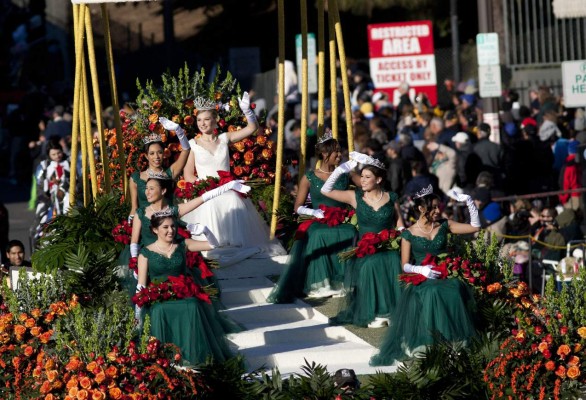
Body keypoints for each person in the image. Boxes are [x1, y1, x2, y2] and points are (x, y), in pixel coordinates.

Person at [370, 186, 480, 365]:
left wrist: (469, 202)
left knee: (454, 287)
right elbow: (405, 265)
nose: (438, 211)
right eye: (433, 207)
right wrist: (421, 270)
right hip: (421, 276)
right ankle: (431, 341)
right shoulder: (409, 233)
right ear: (422, 209)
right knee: (432, 292)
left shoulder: (445, 225)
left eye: (438, 207)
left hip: (443, 273)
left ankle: (454, 339)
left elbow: (475, 227)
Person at [181, 92, 286, 261]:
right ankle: (215, 246)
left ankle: (235, 244)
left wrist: (247, 111)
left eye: (207, 119)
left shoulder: (224, 138)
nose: (203, 123)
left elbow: (252, 129)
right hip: (205, 191)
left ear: (215, 120)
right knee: (212, 203)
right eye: (200, 120)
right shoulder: (192, 145)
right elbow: (188, 175)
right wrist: (206, 186)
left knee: (233, 200)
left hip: (227, 188)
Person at [267, 134, 359, 302]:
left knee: (351, 231)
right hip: (319, 220)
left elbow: (366, 183)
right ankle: (321, 284)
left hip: (342, 220)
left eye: (340, 152)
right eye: (336, 152)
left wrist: (360, 164)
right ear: (324, 154)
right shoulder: (309, 177)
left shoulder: (346, 173)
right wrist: (313, 213)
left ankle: (345, 282)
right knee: (317, 234)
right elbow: (298, 207)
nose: (339, 155)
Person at [135, 211, 232, 365]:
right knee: (159, 310)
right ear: (155, 230)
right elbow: (141, 284)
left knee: (193, 305)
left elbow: (213, 244)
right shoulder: (146, 253)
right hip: (158, 296)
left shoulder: (183, 244)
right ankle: (165, 359)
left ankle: (194, 357)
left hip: (184, 292)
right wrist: (137, 312)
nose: (170, 230)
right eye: (165, 227)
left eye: (173, 226)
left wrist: (205, 231)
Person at [321, 152, 405, 328]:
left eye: (368, 177)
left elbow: (400, 225)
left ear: (379, 180)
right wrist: (342, 169)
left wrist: (400, 239)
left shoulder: (391, 198)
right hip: (365, 248)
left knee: (392, 260)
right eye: (362, 177)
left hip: (388, 246)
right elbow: (325, 190)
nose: (363, 180)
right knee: (371, 264)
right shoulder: (355, 197)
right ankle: (374, 312)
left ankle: (391, 310)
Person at [127, 116, 191, 222]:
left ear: (164, 154)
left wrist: (178, 130)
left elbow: (186, 150)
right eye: (152, 153)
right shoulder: (136, 178)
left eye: (159, 152)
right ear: (146, 156)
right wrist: (130, 222)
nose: (156, 157)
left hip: (167, 223)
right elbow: (134, 208)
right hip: (144, 224)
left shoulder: (170, 173)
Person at [31, 139, 71, 246]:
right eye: (53, 154)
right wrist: (49, 193)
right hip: (49, 201)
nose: (57, 156)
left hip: (69, 197)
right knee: (39, 225)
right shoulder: (43, 166)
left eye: (59, 153)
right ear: (48, 154)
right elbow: (39, 187)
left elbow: (78, 181)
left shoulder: (70, 163)